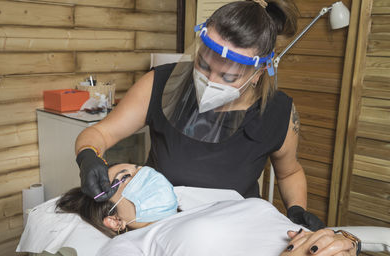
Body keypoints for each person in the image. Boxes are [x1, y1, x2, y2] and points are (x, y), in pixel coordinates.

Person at [75, 0, 324, 230]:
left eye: (228, 77)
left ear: (258, 74)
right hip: (160, 229)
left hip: (236, 231)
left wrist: (296, 210)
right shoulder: (160, 85)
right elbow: (100, 132)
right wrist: (88, 155)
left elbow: (289, 172)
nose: (209, 81)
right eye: (203, 65)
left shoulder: (278, 113)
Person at [57, 163, 358, 256]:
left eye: (138, 167)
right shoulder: (125, 247)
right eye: (125, 176)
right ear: (114, 220)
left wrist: (341, 241)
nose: (142, 173)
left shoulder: (216, 202)